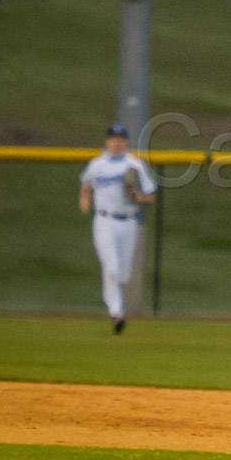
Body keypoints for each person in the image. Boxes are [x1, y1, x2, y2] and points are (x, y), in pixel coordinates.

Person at [78, 124, 156, 334]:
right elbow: (86, 185)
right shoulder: (97, 165)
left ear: (126, 141)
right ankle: (116, 313)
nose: (117, 141)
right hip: (104, 220)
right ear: (107, 141)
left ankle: (116, 308)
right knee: (110, 267)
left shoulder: (134, 165)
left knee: (123, 274)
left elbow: (149, 195)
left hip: (129, 222)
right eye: (113, 138)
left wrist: (138, 195)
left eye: (121, 138)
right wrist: (84, 200)